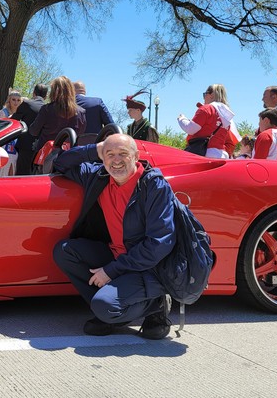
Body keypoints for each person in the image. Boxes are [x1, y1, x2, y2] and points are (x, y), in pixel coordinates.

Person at [52, 134, 175, 339]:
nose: (116, 160)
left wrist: (110, 271)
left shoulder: (153, 186)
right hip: (115, 254)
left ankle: (156, 304)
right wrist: (95, 149)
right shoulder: (99, 177)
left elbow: (159, 244)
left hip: (147, 267)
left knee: (104, 306)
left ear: (136, 156)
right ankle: (112, 312)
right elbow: (61, 163)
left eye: (123, 154)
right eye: (110, 154)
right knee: (65, 251)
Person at [178, 84, 237, 158]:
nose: (204, 98)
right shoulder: (227, 115)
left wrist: (181, 119)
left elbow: (190, 129)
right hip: (221, 155)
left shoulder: (207, 109)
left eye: (204, 94)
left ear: (211, 95)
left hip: (204, 153)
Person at [29, 76, 86, 150]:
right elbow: (81, 134)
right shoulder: (81, 112)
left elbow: (34, 131)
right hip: (69, 153)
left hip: (47, 152)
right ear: (71, 91)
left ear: (53, 91)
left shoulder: (47, 109)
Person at [11, 83, 47, 175]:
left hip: (25, 147)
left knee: (21, 175)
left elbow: (13, 121)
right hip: (41, 150)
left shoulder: (27, 104)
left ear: (34, 93)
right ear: (46, 96)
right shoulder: (48, 108)